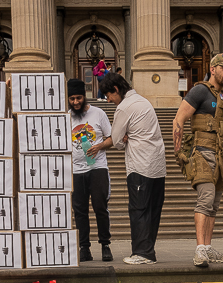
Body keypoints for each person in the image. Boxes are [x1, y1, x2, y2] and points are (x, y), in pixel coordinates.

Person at [172, 53, 223, 268]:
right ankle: (199, 250)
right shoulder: (199, 91)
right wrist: (178, 151)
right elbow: (179, 118)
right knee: (206, 199)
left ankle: (207, 247)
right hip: (203, 153)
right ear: (213, 69)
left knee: (214, 205)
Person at [89, 74, 166, 264]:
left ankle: (142, 253)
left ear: (116, 89)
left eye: (108, 95)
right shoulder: (143, 101)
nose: (108, 100)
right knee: (153, 210)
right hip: (158, 166)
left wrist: (124, 141)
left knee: (139, 209)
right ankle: (149, 250)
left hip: (140, 165)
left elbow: (116, 140)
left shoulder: (124, 107)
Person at [68, 78, 113, 262]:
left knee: (100, 207)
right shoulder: (66, 117)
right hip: (75, 171)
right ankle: (84, 247)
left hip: (98, 168)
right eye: (72, 99)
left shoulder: (98, 113)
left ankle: (105, 245)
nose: (76, 102)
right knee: (79, 211)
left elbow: (112, 138)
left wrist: (99, 146)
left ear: (84, 96)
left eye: (78, 98)